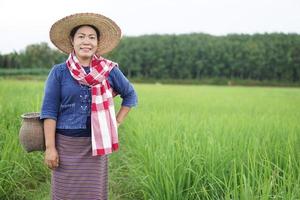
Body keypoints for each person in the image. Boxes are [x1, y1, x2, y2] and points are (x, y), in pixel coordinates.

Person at [40, 13, 137, 200]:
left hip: (96, 146)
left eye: (92, 37)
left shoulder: (109, 70)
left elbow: (130, 94)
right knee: (64, 194)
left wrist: (116, 122)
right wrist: (50, 148)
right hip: (65, 145)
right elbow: (49, 111)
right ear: (72, 40)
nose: (87, 41)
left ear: (97, 43)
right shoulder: (59, 72)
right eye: (81, 36)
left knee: (93, 194)